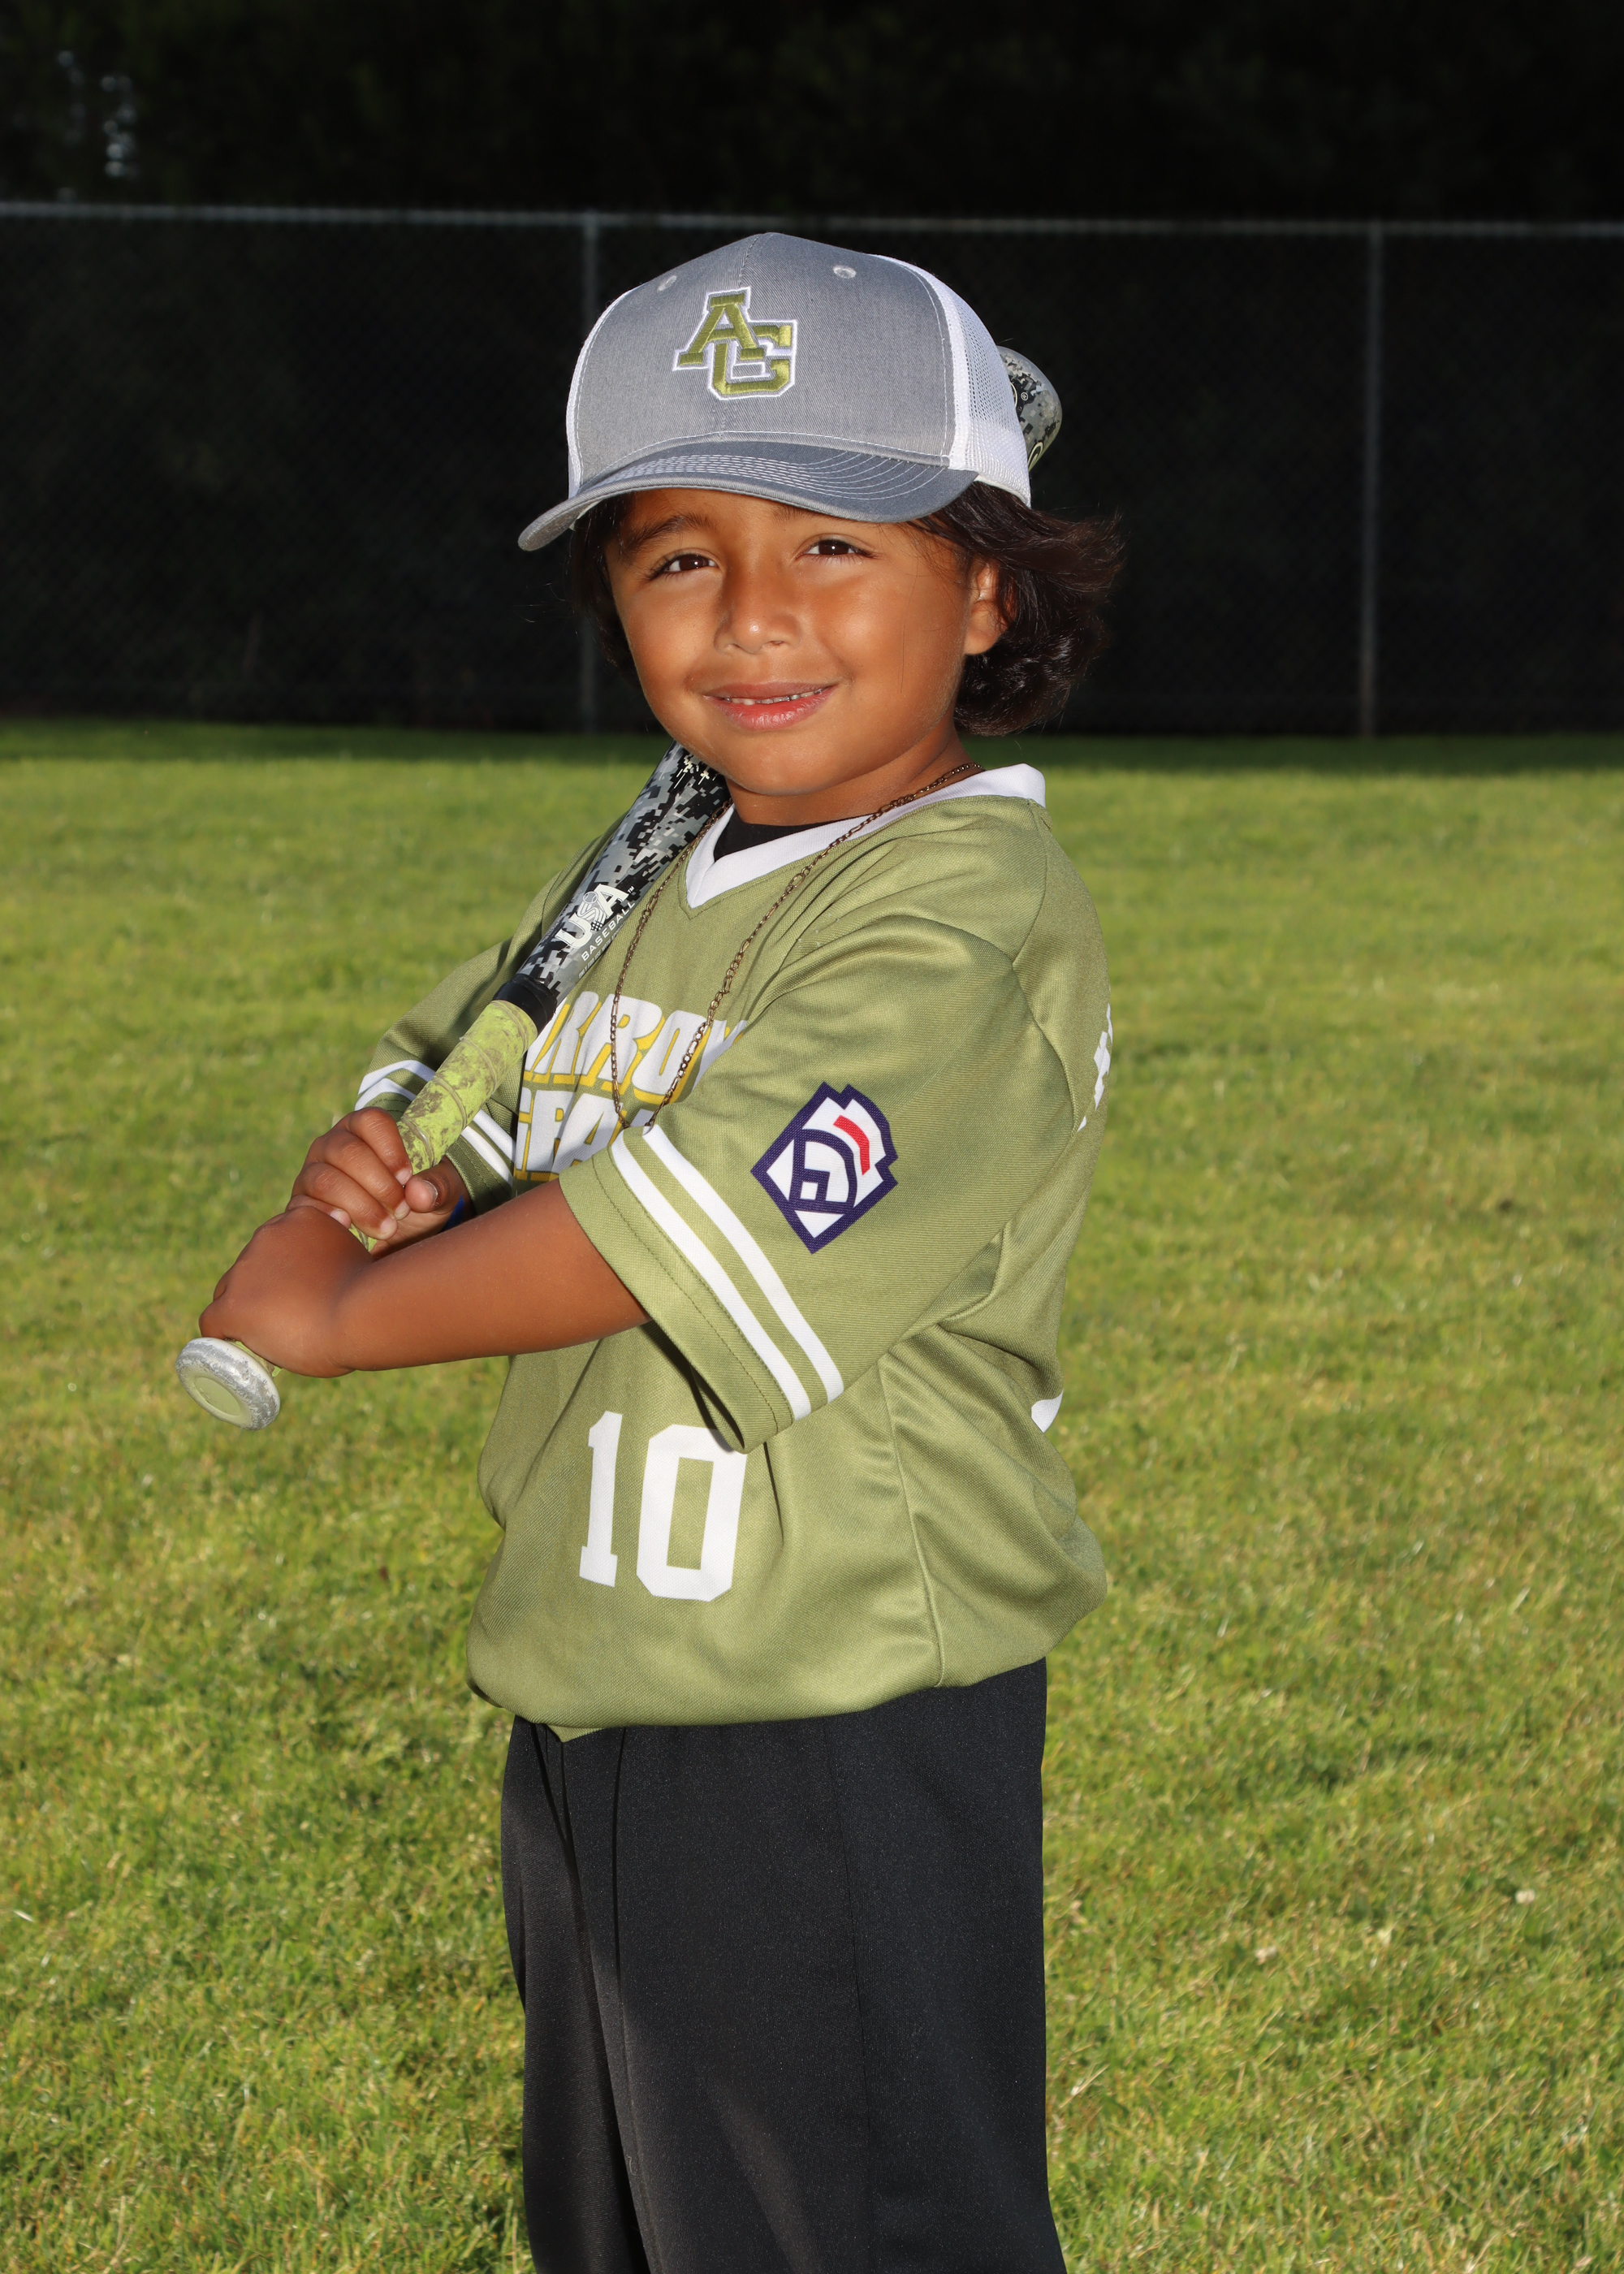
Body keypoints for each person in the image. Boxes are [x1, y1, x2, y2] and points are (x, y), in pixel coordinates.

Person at [202, 233, 1121, 2274]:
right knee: (631, 2226)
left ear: (985, 589)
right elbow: (488, 1059)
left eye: (833, 544)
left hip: (830, 1694)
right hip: (612, 1667)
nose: (752, 613)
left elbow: (668, 1220)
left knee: (842, 2227)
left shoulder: (961, 910)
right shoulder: (670, 871)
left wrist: (348, 1313)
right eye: (680, 554)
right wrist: (401, 1157)